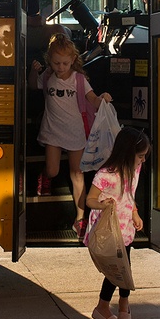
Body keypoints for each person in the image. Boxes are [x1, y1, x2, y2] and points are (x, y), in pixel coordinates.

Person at [29, 33, 113, 234]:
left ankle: (80, 218)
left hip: (75, 132)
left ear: (73, 60)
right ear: (50, 60)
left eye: (65, 63)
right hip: (52, 131)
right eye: (56, 63)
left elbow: (92, 99)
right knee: (53, 170)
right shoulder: (48, 75)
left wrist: (103, 99)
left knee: (78, 175)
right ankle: (45, 176)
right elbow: (33, 86)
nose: (60, 67)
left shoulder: (79, 80)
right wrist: (33, 72)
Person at [85, 126, 149, 319]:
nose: (143, 160)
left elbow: (129, 195)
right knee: (116, 270)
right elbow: (90, 200)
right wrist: (104, 205)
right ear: (128, 153)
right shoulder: (106, 174)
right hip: (109, 231)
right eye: (141, 156)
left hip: (126, 229)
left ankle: (123, 303)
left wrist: (135, 212)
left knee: (124, 268)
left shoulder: (134, 169)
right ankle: (102, 307)